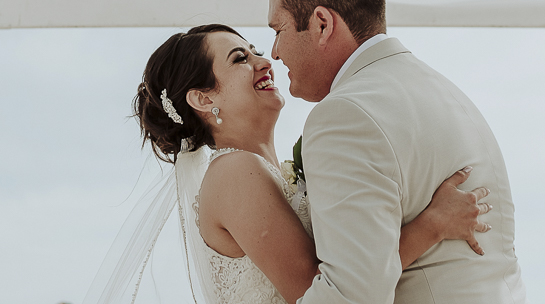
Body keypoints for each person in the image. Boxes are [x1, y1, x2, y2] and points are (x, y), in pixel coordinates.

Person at [124, 23, 490, 304]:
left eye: (254, 51)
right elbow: (316, 292)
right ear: (203, 99)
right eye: (240, 59)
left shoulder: (260, 171)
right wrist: (432, 225)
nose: (264, 61)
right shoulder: (233, 173)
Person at [265, 0, 527, 304]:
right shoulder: (446, 92)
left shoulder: (345, 116)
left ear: (322, 24)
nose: (274, 52)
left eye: (279, 30)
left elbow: (354, 294)